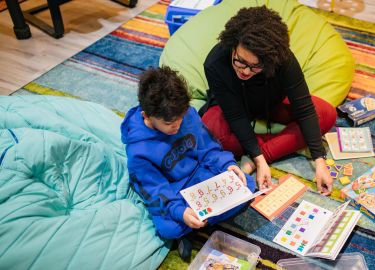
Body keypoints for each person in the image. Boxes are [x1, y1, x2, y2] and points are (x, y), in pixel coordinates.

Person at [120, 66, 255, 260]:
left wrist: (226, 165)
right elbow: (155, 190)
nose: (177, 126)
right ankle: (193, 224)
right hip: (175, 192)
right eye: (168, 124)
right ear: (146, 116)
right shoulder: (138, 151)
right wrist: (180, 212)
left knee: (247, 184)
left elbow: (209, 148)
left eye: (180, 119)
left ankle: (194, 227)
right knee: (168, 228)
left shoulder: (186, 114)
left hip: (201, 174)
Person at [200, 6, 337, 195]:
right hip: (233, 106)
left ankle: (257, 151)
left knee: (326, 114)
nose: (246, 71)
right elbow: (235, 115)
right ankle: (264, 148)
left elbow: (304, 108)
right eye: (240, 61)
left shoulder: (283, 59)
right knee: (209, 132)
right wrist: (259, 159)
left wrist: (319, 161)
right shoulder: (215, 62)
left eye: (256, 66)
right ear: (233, 45)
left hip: (272, 104)